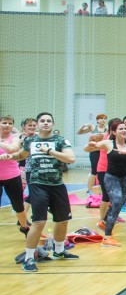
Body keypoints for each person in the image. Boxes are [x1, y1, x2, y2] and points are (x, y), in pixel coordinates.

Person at [15, 112, 79, 272]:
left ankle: (59, 251)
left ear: (53, 124)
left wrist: (49, 151)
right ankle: (29, 258)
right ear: (37, 124)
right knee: (39, 222)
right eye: (42, 121)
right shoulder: (30, 140)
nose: (45, 123)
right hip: (38, 184)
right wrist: (9, 156)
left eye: (48, 121)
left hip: (57, 185)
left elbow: (70, 158)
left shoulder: (60, 140)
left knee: (63, 220)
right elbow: (21, 154)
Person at [86, 118, 126, 247]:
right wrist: (89, 144)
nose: (124, 130)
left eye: (125, 128)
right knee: (117, 200)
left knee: (121, 201)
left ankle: (104, 222)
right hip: (111, 177)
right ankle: (107, 237)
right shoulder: (109, 143)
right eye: (121, 129)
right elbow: (88, 149)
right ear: (114, 132)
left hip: (123, 178)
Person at [0, 114, 30, 234]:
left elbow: (13, 149)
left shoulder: (15, 138)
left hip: (12, 177)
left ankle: (25, 228)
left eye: (10, 123)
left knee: (18, 206)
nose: (7, 125)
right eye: (4, 123)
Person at [78, 113, 107, 194]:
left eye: (105, 118)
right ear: (97, 120)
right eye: (101, 118)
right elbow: (79, 133)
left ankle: (104, 190)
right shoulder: (93, 127)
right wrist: (83, 126)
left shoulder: (107, 128)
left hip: (103, 151)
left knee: (104, 171)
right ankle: (89, 190)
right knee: (94, 171)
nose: (103, 120)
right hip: (94, 151)